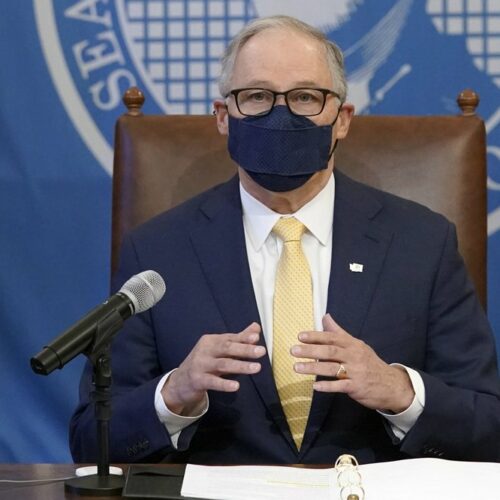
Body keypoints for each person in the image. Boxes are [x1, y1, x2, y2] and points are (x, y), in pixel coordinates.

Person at [70, 15, 500, 464]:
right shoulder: (157, 252)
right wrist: (174, 395)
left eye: (305, 97)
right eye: (256, 96)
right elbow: (89, 442)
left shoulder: (421, 244)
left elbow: (489, 427)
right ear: (222, 117)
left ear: (341, 120)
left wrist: (399, 391)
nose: (281, 114)